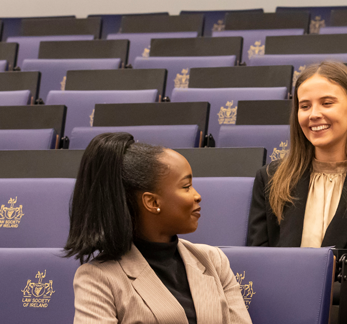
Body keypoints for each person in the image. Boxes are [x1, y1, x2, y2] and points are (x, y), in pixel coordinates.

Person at [64, 132, 252, 324]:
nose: (197, 196)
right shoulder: (98, 278)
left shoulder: (213, 260)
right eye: (186, 186)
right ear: (152, 202)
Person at [245, 60, 347, 248]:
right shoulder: (269, 179)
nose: (314, 114)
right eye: (305, 106)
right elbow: (259, 261)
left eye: (327, 103)